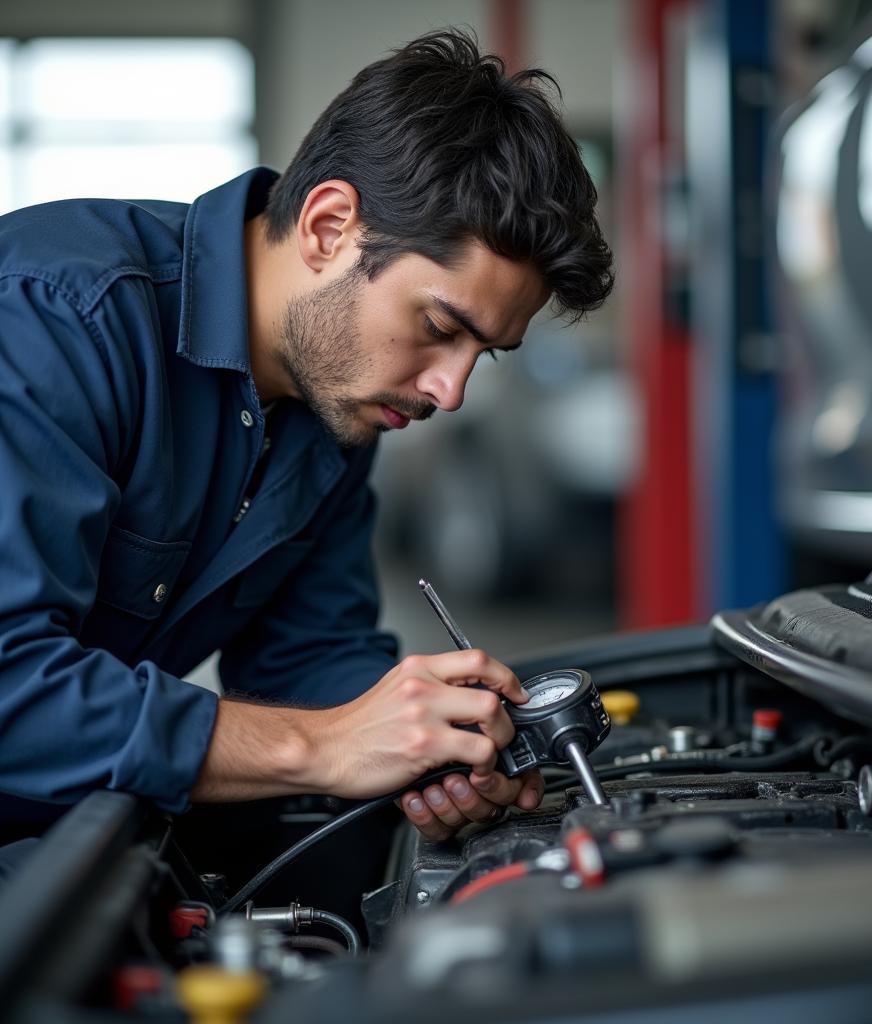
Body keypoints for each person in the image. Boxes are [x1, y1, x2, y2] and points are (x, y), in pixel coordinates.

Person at [0, 28, 612, 872]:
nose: (450, 391)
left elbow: (306, 655)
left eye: (483, 354)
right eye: (439, 328)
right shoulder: (56, 323)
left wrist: (427, 743)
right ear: (328, 227)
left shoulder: (336, 403)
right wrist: (318, 746)